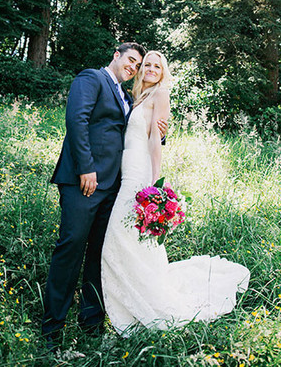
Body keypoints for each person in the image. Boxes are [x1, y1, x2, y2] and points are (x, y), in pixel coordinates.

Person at [101, 51, 250, 335]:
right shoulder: (138, 96)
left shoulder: (160, 94)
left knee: (118, 238)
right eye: (147, 65)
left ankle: (140, 302)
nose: (151, 69)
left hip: (140, 174)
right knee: (131, 240)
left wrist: (155, 184)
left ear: (163, 71)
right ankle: (132, 299)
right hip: (126, 171)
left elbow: (155, 140)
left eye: (157, 66)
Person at [42, 42, 167, 349]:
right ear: (116, 55)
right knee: (71, 249)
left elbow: (136, 134)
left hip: (113, 187)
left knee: (100, 254)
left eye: (138, 65)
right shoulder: (92, 78)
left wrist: (160, 134)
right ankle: (52, 330)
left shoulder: (127, 96)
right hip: (83, 181)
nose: (134, 67)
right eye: (131, 60)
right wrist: (86, 168)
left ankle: (91, 325)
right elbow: (77, 121)